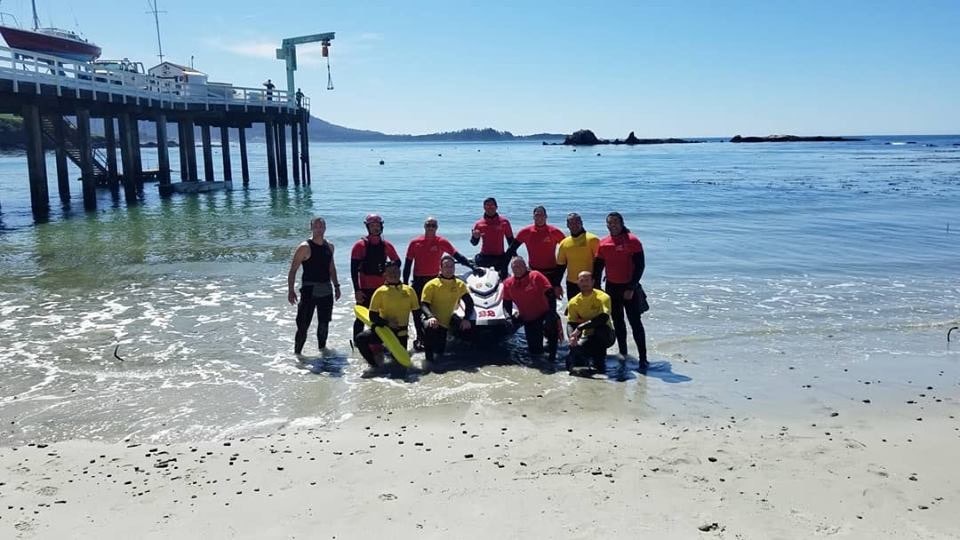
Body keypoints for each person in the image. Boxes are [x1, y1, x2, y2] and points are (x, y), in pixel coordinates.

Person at [403, 217, 475, 350]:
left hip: (435, 280)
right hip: (418, 281)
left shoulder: (442, 242)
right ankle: (420, 337)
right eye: (428, 225)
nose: (431, 227)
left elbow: (457, 256)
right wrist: (405, 285)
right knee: (416, 310)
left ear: (437, 228)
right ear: (424, 226)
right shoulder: (415, 242)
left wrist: (473, 268)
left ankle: (438, 332)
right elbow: (407, 265)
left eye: (433, 225)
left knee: (435, 309)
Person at [593, 212, 649, 372]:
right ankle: (623, 354)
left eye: (616, 222)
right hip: (612, 288)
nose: (612, 225)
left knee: (635, 323)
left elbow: (640, 266)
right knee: (618, 323)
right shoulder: (604, 243)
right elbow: (597, 269)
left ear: (622, 223)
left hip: (629, 288)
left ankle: (643, 359)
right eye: (609, 223)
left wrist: (631, 287)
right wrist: (597, 291)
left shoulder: (633, 241)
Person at [354, 262, 421, 375]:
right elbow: (372, 316)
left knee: (399, 365)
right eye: (390, 272)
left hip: (401, 332)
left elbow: (416, 315)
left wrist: (420, 335)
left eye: (396, 271)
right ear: (384, 274)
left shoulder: (409, 291)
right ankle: (374, 365)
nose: (393, 274)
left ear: (400, 272)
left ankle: (383, 351)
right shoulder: (380, 292)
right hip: (384, 329)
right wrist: (387, 323)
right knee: (360, 338)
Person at [287, 217, 341, 356]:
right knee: (303, 325)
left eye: (321, 226)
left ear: (325, 228)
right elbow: (293, 270)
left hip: (326, 289)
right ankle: (297, 356)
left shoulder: (330, 246)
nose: (319, 229)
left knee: (324, 324)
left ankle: (323, 353)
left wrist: (336, 286)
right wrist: (291, 290)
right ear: (311, 228)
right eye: (316, 226)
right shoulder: (304, 247)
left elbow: (331, 268)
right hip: (309, 290)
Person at [420, 254, 475, 371]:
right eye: (446, 266)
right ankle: (428, 361)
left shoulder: (459, 284)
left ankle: (467, 361)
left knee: (441, 351)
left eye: (451, 266)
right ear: (440, 268)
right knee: (430, 328)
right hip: (431, 319)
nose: (449, 269)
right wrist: (430, 316)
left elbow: (469, 303)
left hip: (447, 320)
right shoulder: (431, 284)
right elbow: (423, 305)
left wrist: (466, 319)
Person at [351, 214, 401, 337]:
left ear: (381, 227)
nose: (375, 228)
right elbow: (353, 270)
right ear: (367, 227)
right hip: (365, 289)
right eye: (372, 226)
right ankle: (358, 343)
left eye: (377, 226)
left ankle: (382, 341)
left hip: (382, 289)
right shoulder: (360, 246)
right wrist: (357, 290)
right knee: (361, 318)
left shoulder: (386, 245)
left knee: (382, 317)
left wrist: (388, 268)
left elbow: (398, 262)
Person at [502, 256, 560, 362]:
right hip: (528, 318)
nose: (517, 269)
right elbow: (506, 303)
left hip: (544, 314)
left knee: (551, 332)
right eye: (514, 267)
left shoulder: (535, 276)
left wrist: (551, 314)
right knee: (535, 352)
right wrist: (508, 317)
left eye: (520, 266)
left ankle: (553, 356)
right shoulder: (508, 283)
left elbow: (551, 295)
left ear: (525, 266)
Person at [506, 206, 566, 297]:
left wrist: (557, 282)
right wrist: (518, 263)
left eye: (542, 215)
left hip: (551, 272)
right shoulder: (526, 232)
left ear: (546, 216)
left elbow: (567, 250)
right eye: (537, 215)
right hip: (533, 271)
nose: (539, 217)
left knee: (551, 301)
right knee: (534, 299)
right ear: (533, 217)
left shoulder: (554, 232)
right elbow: (511, 250)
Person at [566, 271, 615, 373]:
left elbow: (603, 318)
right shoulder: (573, 302)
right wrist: (572, 337)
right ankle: (585, 358)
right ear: (578, 283)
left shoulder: (603, 297)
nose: (584, 283)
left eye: (587, 280)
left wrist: (580, 327)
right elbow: (571, 323)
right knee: (575, 353)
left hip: (606, 335)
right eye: (581, 281)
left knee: (601, 330)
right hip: (587, 336)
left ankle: (599, 359)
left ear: (593, 282)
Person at [556, 212, 600, 300]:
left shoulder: (592, 239)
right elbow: (561, 266)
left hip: (589, 283)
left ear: (581, 223)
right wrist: (557, 285)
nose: (574, 225)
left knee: (592, 312)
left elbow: (599, 264)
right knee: (574, 311)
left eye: (576, 222)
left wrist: (596, 283)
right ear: (567, 225)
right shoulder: (564, 243)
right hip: (572, 283)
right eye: (571, 223)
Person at [469, 197, 514, 276]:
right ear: (484, 208)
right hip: (485, 256)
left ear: (496, 207)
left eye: (492, 205)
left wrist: (514, 256)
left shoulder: (504, 222)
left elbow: (511, 241)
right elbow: (474, 243)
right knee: (479, 277)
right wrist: (475, 237)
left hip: (500, 257)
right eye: (487, 205)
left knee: (503, 278)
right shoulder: (479, 224)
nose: (490, 207)